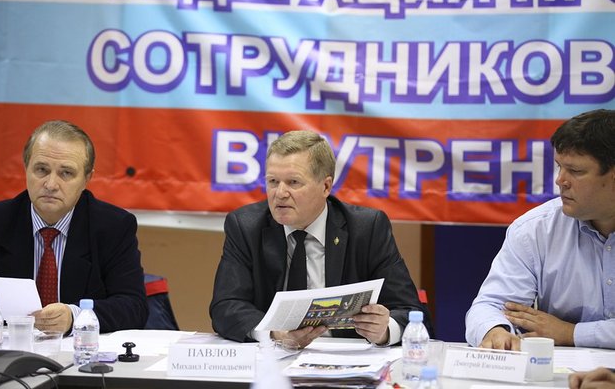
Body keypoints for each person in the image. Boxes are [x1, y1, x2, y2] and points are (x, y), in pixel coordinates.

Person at [209, 130, 428, 347]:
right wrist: (274, 333)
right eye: (273, 181)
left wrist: (385, 330)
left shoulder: (367, 229)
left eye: (293, 182)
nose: (280, 193)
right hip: (274, 356)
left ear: (325, 186)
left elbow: (412, 312)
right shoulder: (246, 226)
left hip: (346, 359)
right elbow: (225, 306)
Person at [0, 120, 148, 333]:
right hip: (7, 347)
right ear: (26, 169)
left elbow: (134, 307)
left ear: (87, 179)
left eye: (66, 173)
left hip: (78, 349)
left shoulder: (113, 226)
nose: (51, 184)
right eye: (41, 170)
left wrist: (74, 317)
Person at [465, 109, 615, 350]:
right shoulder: (535, 229)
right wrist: (496, 330)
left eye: (576, 171)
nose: (560, 180)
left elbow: (568, 334)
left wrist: (572, 333)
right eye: (559, 167)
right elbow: (489, 305)